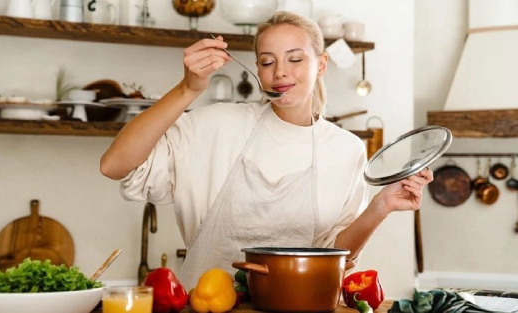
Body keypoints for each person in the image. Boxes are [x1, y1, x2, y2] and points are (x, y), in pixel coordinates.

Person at [100, 11, 433, 290]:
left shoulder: (345, 149)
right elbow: (114, 165)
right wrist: (188, 88)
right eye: (267, 61)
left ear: (321, 64)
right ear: (257, 70)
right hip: (205, 305)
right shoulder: (215, 125)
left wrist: (382, 205)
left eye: (295, 59)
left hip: (303, 306)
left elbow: (337, 256)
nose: (280, 72)